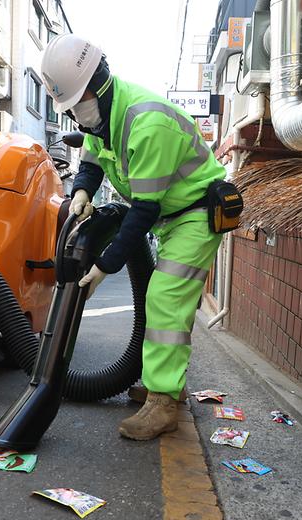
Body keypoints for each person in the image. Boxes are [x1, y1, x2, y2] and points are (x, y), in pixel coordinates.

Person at [41, 35, 227, 440]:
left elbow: (142, 211)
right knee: (163, 301)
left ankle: (163, 402)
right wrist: (82, 192)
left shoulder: (147, 122)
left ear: (98, 85)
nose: (74, 114)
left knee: (163, 298)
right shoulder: (102, 119)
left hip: (196, 216)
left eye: (76, 103)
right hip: (169, 217)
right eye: (68, 108)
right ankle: (164, 384)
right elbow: (91, 161)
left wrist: (103, 267)